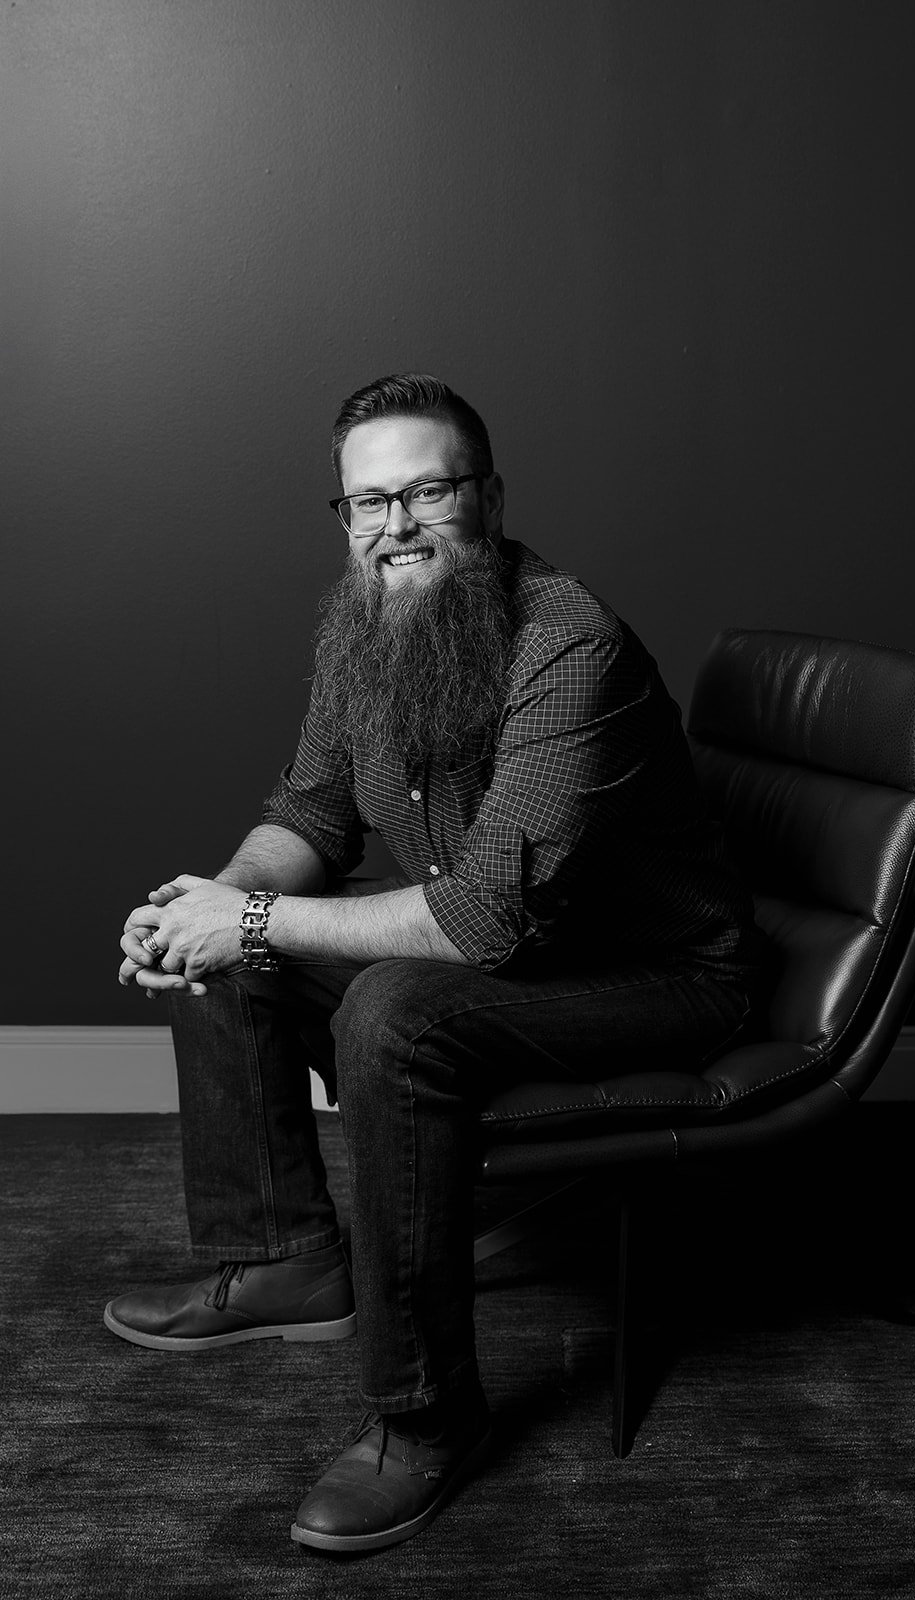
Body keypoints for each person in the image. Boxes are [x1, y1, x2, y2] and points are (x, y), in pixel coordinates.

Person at [109, 373, 763, 1555]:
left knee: (392, 1011)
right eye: (368, 502)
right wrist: (209, 906)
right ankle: (285, 1260)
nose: (396, 525)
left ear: (489, 497)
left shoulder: (572, 645)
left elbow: (478, 925)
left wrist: (251, 921)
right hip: (509, 952)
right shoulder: (360, 620)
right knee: (236, 933)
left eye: (427, 491)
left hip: (655, 974)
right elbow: (309, 814)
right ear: (344, 518)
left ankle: (422, 1415)